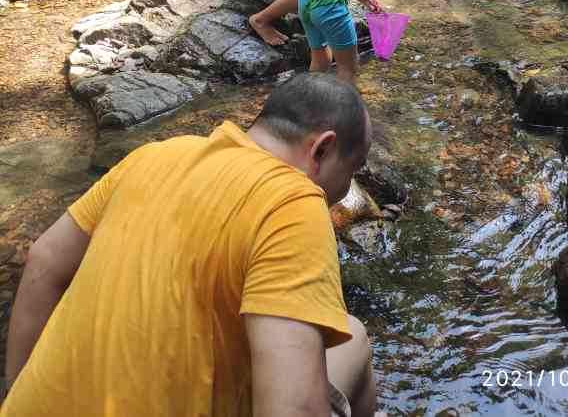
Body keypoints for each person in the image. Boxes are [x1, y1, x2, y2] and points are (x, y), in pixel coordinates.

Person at [2, 73, 378, 417]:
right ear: (323, 149)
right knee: (354, 338)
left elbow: (44, 261)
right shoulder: (292, 202)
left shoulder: (152, 155)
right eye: (352, 170)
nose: (345, 191)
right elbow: (292, 408)